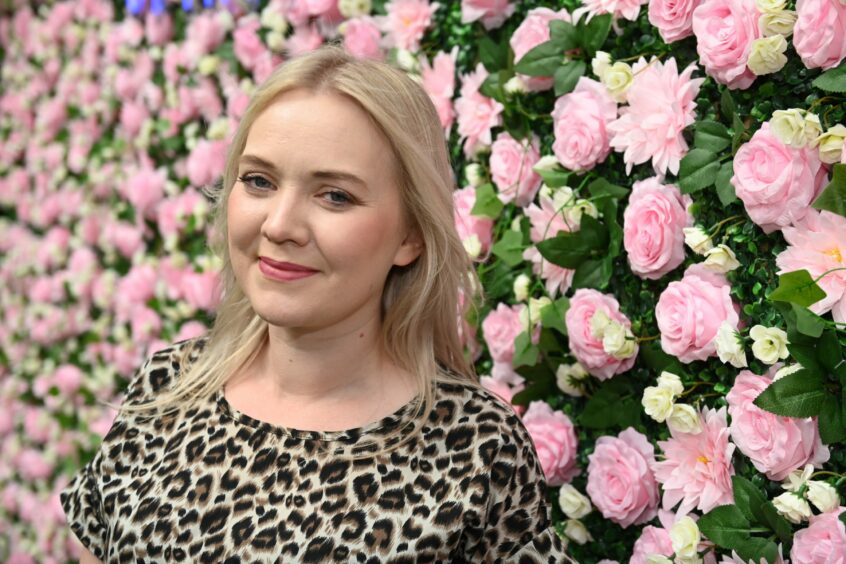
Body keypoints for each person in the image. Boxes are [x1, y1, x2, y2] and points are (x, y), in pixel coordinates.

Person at [60, 44, 570, 563]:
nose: (279, 225)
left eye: (334, 196)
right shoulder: (165, 390)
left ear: (410, 236)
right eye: (258, 180)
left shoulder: (476, 448)